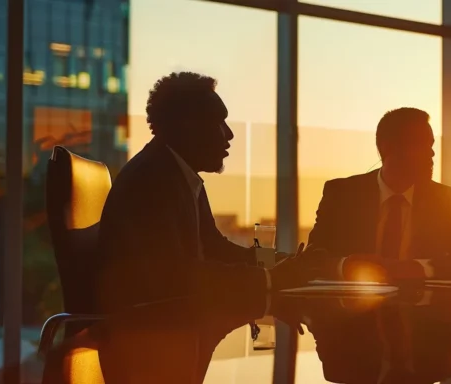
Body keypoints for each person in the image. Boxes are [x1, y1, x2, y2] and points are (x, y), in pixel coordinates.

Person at [97, 72, 310, 311]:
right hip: (149, 334)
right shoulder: (150, 182)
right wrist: (272, 278)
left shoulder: (174, 173)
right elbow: (174, 276)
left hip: (168, 326)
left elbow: (214, 248)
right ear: (188, 127)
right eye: (218, 122)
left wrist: (281, 261)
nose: (229, 134)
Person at [306, 107, 451, 281]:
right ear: (389, 147)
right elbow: (311, 258)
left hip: (421, 306)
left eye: (431, 145)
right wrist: (345, 266)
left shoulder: (441, 198)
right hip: (350, 305)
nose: (431, 153)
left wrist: (418, 268)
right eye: (421, 144)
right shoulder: (342, 194)